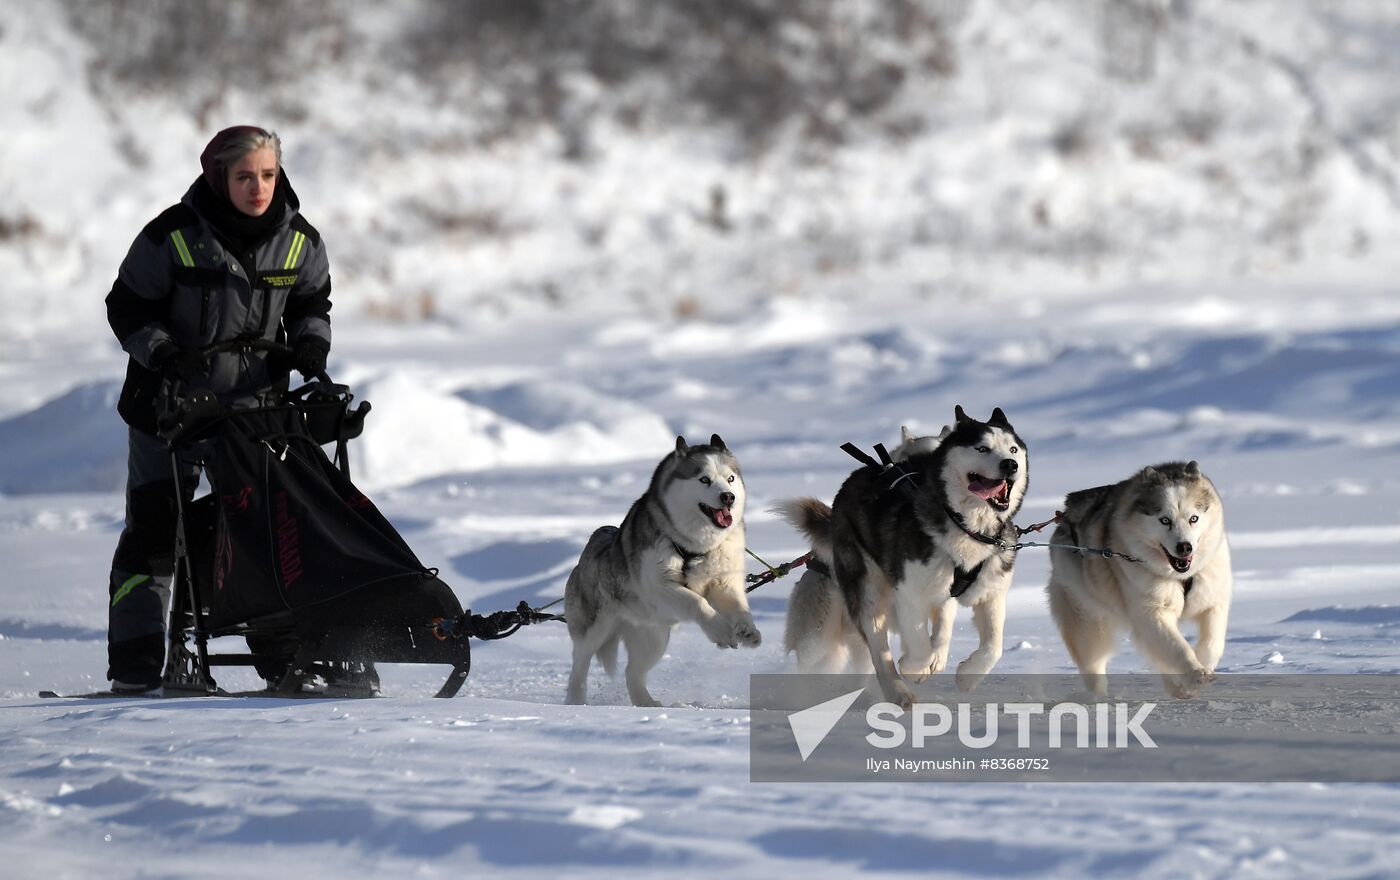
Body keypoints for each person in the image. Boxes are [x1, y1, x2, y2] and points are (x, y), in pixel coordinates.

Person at [104, 126, 332, 693]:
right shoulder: (171, 236)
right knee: (155, 533)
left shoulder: (300, 241)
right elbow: (127, 308)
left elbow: (312, 302)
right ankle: (135, 668)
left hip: (254, 415)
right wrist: (165, 356)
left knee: (264, 532)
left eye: (268, 175)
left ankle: (283, 658)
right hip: (170, 410)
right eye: (244, 176)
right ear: (217, 177)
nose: (258, 188)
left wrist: (310, 345)